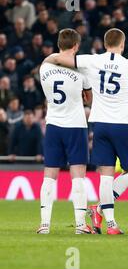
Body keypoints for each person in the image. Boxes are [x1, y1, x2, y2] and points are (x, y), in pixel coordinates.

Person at [44, 28, 128, 235]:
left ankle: (110, 224)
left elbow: (60, 59)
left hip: (99, 123)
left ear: (104, 44)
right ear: (122, 44)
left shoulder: (91, 60)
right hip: (122, 123)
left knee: (106, 174)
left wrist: (48, 59)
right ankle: (101, 208)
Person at [37, 29, 93, 235]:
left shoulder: (45, 68)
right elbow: (89, 99)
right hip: (75, 126)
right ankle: (80, 224)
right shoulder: (82, 72)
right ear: (76, 46)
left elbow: (49, 59)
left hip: (53, 125)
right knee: (78, 175)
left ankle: (44, 224)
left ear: (59, 45)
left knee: (49, 175)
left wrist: (55, 56)